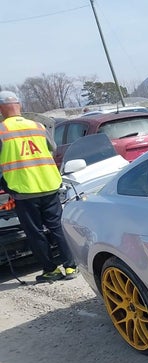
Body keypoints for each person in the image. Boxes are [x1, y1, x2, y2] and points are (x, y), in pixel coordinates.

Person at [0, 90, 77, 283]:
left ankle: (50, 270)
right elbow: (53, 149)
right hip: (49, 184)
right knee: (57, 226)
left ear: (1, 109)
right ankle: (70, 266)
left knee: (35, 232)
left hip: (24, 189)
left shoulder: (2, 131)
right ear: (19, 106)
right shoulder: (38, 126)